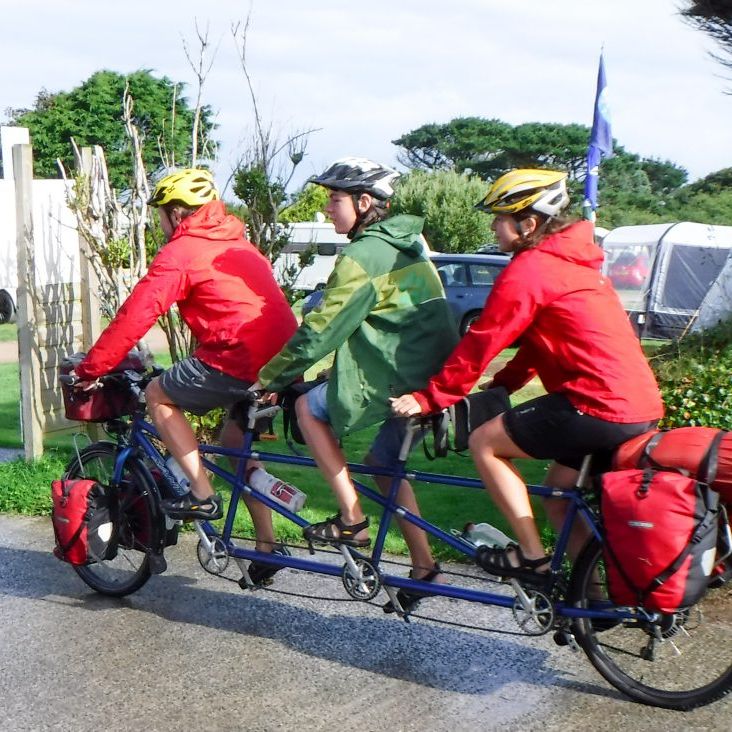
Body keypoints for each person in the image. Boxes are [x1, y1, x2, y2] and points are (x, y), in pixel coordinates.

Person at [391, 168, 664, 583]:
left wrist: (432, 397)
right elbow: (540, 342)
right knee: (558, 493)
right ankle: (593, 596)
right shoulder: (571, 265)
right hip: (635, 406)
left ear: (528, 223)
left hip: (595, 404)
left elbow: (483, 339)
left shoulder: (531, 269)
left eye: (499, 218)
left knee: (486, 443)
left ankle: (532, 559)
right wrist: (506, 384)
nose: (492, 226)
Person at [74, 168, 298, 579]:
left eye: (160, 214)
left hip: (237, 357)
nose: (159, 224)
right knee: (235, 450)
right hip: (281, 362)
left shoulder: (183, 250)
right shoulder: (236, 240)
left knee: (159, 395)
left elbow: (135, 316)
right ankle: (267, 547)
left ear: (177, 214)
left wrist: (93, 367)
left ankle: (200, 493)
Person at [256, 157, 459, 608]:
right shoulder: (409, 245)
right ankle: (425, 567)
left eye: (335, 199)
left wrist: (270, 378)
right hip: (426, 375)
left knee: (308, 407)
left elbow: (321, 330)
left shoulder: (362, 254)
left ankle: (351, 517)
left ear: (364, 202)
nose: (328, 209)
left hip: (397, 377)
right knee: (383, 464)